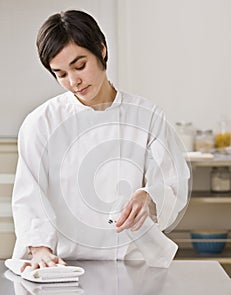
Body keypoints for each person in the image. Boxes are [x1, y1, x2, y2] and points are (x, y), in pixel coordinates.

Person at [11, 10, 190, 271]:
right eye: (61, 74)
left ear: (102, 50)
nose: (74, 81)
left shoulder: (147, 116)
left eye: (80, 65)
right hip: (61, 265)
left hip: (129, 263)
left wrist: (148, 196)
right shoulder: (41, 123)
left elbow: (173, 183)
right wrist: (40, 249)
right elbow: (29, 194)